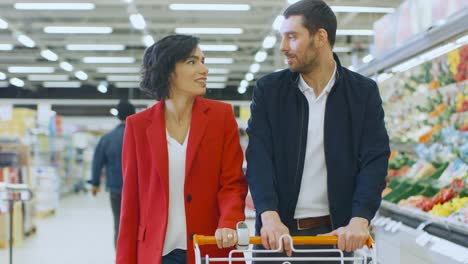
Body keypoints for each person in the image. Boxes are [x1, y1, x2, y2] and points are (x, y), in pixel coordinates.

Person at [245, 0, 390, 263]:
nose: (283, 47)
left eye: (292, 37)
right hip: (278, 235)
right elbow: (259, 157)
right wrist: (268, 215)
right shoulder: (269, 91)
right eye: (282, 37)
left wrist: (360, 219)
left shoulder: (362, 93)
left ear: (320, 37)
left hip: (335, 237)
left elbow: (375, 159)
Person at [116, 34, 248, 264]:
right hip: (157, 252)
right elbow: (131, 202)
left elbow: (232, 183)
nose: (204, 69)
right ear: (168, 69)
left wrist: (228, 222)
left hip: (209, 247)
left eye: (203, 60)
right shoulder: (137, 126)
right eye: (192, 62)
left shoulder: (222, 117)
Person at [90, 99, 135, 248]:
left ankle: (122, 257)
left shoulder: (107, 139)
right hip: (138, 189)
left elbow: (97, 162)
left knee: (119, 223)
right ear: (133, 113)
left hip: (116, 188)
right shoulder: (140, 136)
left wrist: (95, 183)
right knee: (139, 223)